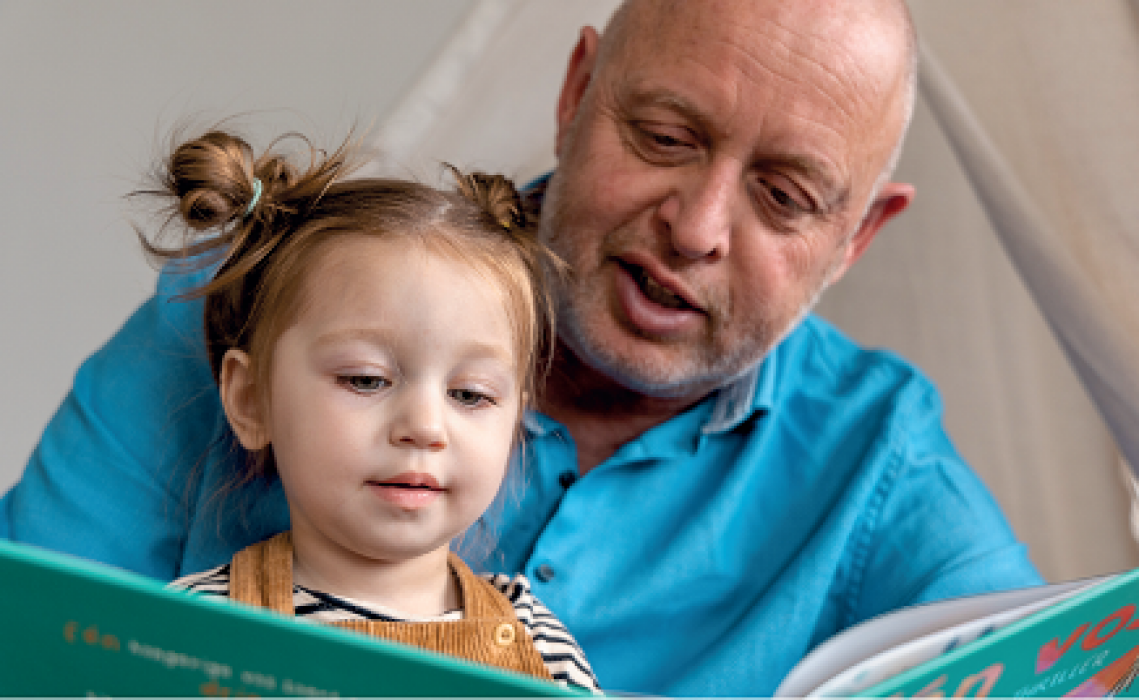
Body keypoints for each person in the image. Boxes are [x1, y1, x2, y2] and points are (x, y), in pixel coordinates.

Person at [1, 0, 1043, 695]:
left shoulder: (879, 461)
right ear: (574, 92)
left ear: (855, 237)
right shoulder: (248, 301)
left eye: (781, 196)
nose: (696, 227)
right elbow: (27, 645)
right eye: (666, 137)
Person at [141, 128, 598, 691]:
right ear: (250, 398)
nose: (425, 428)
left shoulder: (541, 647)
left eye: (471, 395)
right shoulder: (188, 630)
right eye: (366, 379)